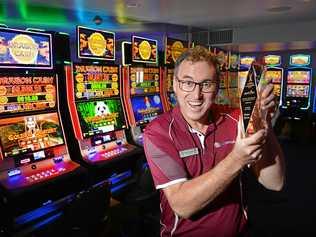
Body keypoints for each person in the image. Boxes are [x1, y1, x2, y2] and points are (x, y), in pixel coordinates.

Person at [143, 45, 285, 237]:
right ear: (175, 85)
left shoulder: (236, 119)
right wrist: (236, 159)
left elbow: (274, 182)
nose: (196, 95)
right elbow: (182, 205)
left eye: (206, 84)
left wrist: (263, 121)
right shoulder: (158, 131)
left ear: (217, 87)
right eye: (187, 83)